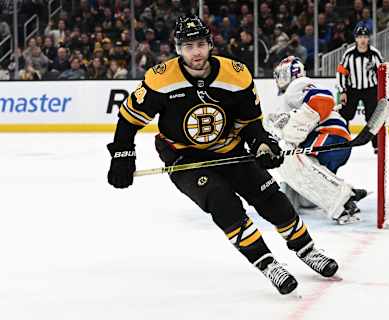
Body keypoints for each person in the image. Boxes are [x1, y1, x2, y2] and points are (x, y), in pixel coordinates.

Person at [106, 14, 339, 295]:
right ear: (179, 49)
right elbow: (128, 119)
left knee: (271, 198)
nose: (196, 53)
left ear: (210, 45)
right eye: (189, 47)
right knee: (222, 201)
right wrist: (122, 155)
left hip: (229, 149)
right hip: (184, 158)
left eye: (201, 45)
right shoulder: (161, 80)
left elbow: (252, 123)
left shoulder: (236, 75)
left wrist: (262, 145)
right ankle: (267, 263)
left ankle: (307, 249)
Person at [267, 56, 367, 225]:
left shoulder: (297, 85)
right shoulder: (291, 95)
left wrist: (294, 127)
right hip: (333, 143)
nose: (279, 79)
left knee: (287, 155)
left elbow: (323, 99)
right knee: (309, 198)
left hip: (329, 138)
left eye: (282, 74)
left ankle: (342, 202)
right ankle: (347, 193)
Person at [336, 26, 383, 153]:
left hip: (370, 89)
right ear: (356, 39)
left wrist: (382, 91)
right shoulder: (349, 54)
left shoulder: (374, 54)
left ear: (368, 39)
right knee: (345, 114)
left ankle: (377, 145)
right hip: (353, 89)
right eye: (360, 37)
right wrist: (342, 91)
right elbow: (341, 72)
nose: (362, 40)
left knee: (373, 117)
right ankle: (343, 140)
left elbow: (382, 72)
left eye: (365, 37)